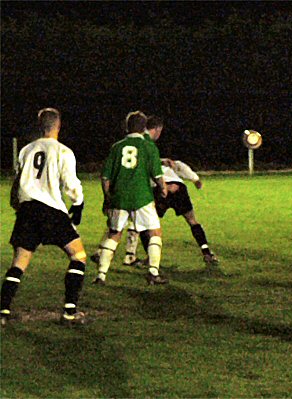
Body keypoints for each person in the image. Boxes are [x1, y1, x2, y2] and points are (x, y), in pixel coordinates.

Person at [1, 108, 87, 326]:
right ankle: (69, 312)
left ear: (40, 126)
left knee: (19, 262)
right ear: (58, 126)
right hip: (51, 210)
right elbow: (70, 182)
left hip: (27, 209)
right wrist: (78, 203)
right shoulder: (63, 151)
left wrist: (17, 206)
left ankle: (2, 311)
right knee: (78, 256)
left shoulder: (26, 150)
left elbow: (17, 182)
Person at [96, 116, 219, 268]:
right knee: (192, 221)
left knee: (141, 224)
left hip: (159, 189)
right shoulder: (147, 143)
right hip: (178, 187)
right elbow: (177, 165)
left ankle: (133, 257)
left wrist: (163, 186)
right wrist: (195, 179)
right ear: (157, 129)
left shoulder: (130, 146)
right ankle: (206, 252)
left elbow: (147, 168)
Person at [93, 111, 169, 285]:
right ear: (144, 128)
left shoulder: (117, 147)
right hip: (142, 197)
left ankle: (101, 276)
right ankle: (153, 272)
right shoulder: (149, 147)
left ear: (127, 127)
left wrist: (107, 197)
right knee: (155, 232)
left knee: (114, 234)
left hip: (119, 197)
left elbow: (105, 177)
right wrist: (163, 188)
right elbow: (157, 174)